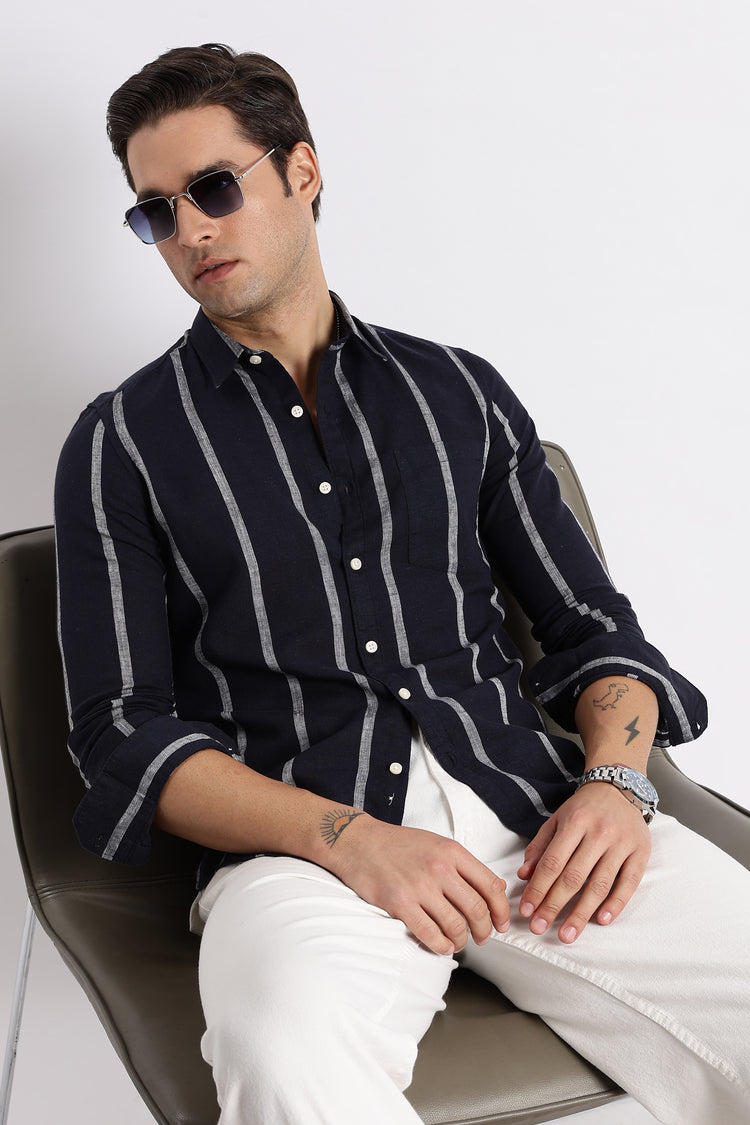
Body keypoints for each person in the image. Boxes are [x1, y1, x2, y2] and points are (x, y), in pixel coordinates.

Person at [54, 43, 750, 1125]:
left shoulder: (458, 393)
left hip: (535, 816)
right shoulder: (122, 443)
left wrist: (618, 783)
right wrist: (351, 839)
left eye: (214, 187)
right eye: (155, 211)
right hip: (305, 854)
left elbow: (595, 629)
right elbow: (120, 731)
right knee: (284, 1050)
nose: (189, 231)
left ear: (302, 171)